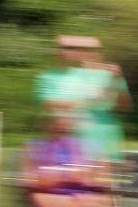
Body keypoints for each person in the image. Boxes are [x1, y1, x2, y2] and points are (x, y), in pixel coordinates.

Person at [35, 34, 131, 163]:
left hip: (105, 149)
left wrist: (117, 81)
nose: (66, 52)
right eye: (65, 48)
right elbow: (50, 105)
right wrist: (92, 101)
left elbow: (124, 108)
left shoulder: (109, 75)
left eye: (86, 49)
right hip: (67, 152)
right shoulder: (49, 77)